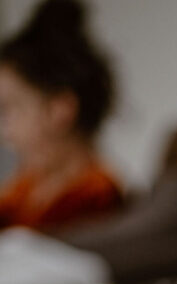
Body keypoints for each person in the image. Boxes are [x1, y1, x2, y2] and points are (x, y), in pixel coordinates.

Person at [0, 0, 122, 231]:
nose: (6, 133)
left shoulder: (95, 197)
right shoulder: (26, 189)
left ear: (59, 110)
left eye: (11, 109)